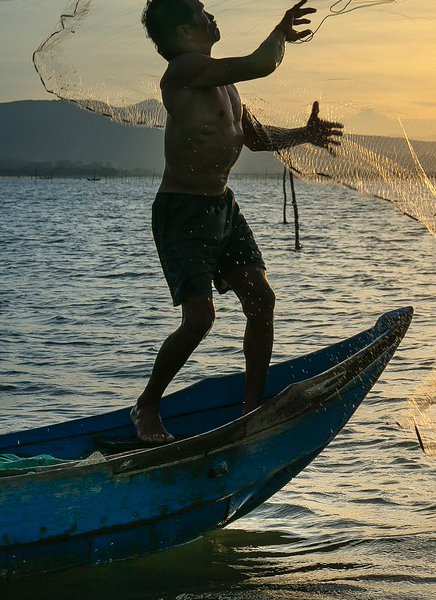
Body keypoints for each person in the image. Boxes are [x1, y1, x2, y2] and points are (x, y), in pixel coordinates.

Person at [133, 0, 343, 443]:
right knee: (199, 320)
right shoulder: (183, 71)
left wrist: (303, 135)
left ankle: (251, 408)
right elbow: (263, 63)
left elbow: (257, 140)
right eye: (200, 11)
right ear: (185, 33)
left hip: (222, 207)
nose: (210, 13)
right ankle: (147, 405)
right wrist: (281, 33)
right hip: (183, 211)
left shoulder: (225, 85)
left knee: (261, 299)